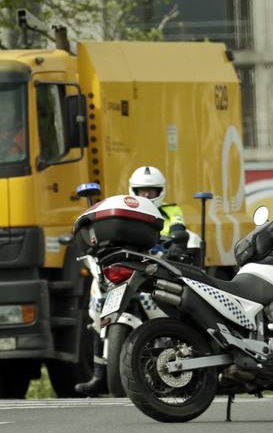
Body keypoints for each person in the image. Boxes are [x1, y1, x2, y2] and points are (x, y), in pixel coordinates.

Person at [76, 165, 190, 396]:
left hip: (155, 266)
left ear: (162, 191)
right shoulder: (123, 207)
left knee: (174, 313)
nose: (146, 196)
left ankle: (175, 368)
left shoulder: (170, 210)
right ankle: (99, 375)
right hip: (123, 266)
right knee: (95, 320)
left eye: (152, 191)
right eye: (142, 191)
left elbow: (178, 226)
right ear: (132, 190)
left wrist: (177, 241)